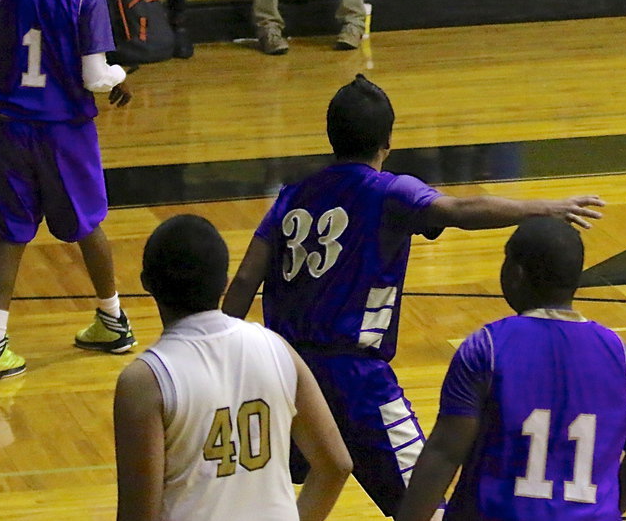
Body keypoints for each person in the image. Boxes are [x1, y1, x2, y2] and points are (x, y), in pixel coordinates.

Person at [221, 75, 604, 517]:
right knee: (424, 508)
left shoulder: (292, 196)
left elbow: (247, 278)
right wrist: (548, 207)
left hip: (283, 373)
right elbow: (460, 210)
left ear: (331, 137)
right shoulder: (388, 192)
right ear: (387, 142)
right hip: (355, 382)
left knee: (271, 498)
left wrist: (226, 354)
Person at [0, 0, 136, 384]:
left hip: (9, 129)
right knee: (89, 224)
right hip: (64, 132)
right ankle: (113, 320)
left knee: (12, 235)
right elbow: (95, 75)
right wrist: (120, 76)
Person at [396, 218, 626, 521]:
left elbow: (444, 452)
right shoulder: (624, 358)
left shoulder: (487, 348)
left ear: (515, 273)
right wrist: (607, 510)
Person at [113, 214, 352, 521]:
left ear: (147, 283)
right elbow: (336, 465)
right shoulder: (278, 349)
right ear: (224, 281)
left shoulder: (144, 382)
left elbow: (137, 515)